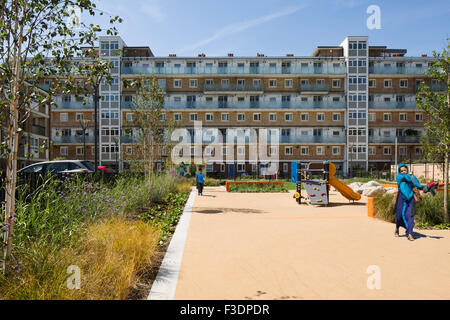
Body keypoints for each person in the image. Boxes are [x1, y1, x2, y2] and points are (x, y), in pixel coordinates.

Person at [394, 164, 424, 241]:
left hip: (410, 198)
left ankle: (410, 233)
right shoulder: (399, 177)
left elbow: (417, 185)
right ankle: (397, 228)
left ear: (407, 169)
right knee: (399, 215)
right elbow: (405, 178)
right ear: (399, 171)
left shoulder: (411, 177)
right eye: (401, 170)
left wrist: (425, 188)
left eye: (405, 170)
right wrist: (410, 175)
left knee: (410, 215)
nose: (403, 171)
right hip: (401, 197)